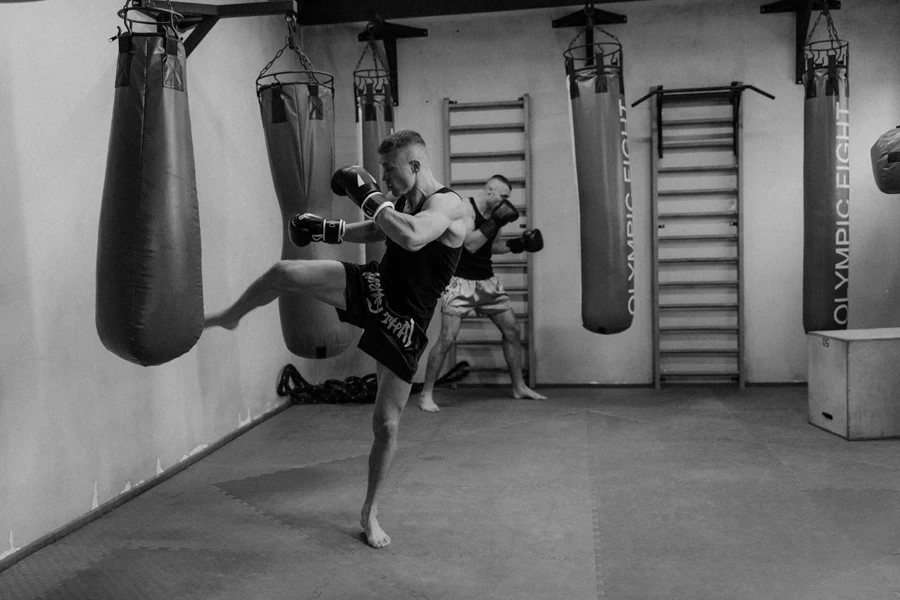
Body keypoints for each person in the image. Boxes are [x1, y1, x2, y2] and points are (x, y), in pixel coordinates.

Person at [204, 130, 471, 549]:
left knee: (385, 424)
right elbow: (380, 230)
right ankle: (232, 317)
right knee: (285, 272)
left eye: (389, 169)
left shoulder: (449, 205)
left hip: (405, 322)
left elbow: (411, 236)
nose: (383, 177)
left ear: (415, 166)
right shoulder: (399, 200)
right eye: (379, 171)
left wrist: (366, 194)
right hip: (376, 286)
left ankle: (370, 511)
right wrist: (329, 229)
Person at [418, 175, 547, 412]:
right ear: (490, 191)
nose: (506, 201)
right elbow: (470, 244)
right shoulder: (465, 209)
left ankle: (518, 387)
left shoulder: (495, 217)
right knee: (447, 338)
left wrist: (520, 244)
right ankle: (426, 394)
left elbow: (493, 245)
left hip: (486, 281)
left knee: (512, 330)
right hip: (459, 282)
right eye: (503, 196)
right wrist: (495, 222)